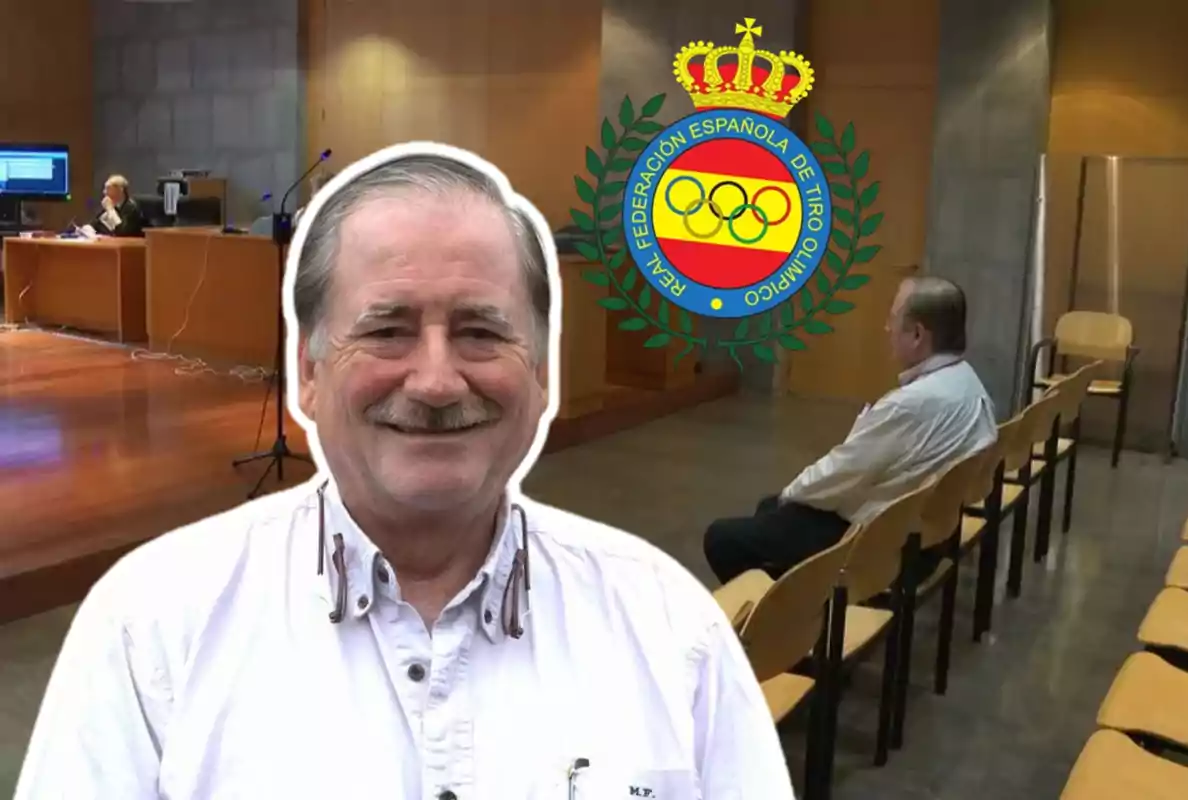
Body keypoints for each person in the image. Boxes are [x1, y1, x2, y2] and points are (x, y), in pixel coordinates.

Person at [14, 145, 793, 799]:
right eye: (385, 330)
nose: (435, 381)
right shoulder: (149, 629)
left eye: (481, 331)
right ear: (307, 373)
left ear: (543, 373)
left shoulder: (671, 629)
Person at [704, 276, 998, 585]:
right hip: (928, 537)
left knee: (723, 538)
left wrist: (790, 494)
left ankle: (791, 616)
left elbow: (843, 470)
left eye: (893, 318)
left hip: (879, 551)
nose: (887, 328)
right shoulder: (972, 387)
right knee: (769, 509)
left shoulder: (911, 404)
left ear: (916, 334)